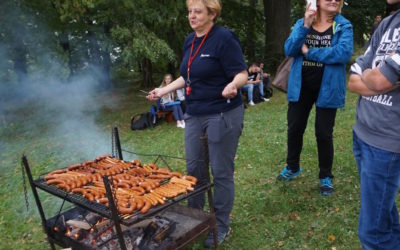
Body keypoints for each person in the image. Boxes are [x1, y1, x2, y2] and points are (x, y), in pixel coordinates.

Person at [147, 0, 248, 247]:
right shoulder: (190, 40)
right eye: (189, 11)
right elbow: (187, 75)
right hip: (194, 113)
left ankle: (221, 224)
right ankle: (195, 220)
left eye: (198, 12)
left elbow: (242, 72)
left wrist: (233, 85)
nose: (192, 16)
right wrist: (162, 90)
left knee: (221, 171)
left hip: (222, 113)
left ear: (211, 14)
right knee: (194, 170)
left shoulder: (224, 38)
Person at [276, 0, 353, 196]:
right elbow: (289, 49)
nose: (334, 0)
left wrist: (309, 52)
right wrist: (305, 25)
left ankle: (325, 176)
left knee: (324, 133)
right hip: (301, 86)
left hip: (328, 87)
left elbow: (342, 53)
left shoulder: (343, 25)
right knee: (294, 128)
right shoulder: (302, 23)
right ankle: (293, 166)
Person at [348, 1, 400, 248]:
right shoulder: (388, 22)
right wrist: (378, 76)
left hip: (387, 143)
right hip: (362, 133)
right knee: (385, 216)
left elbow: (377, 80)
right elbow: (354, 77)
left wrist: (373, 75)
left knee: (372, 234)